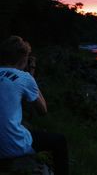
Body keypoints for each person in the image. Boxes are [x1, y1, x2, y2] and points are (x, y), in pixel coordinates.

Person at [0, 36, 69, 175]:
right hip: (11, 147)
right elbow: (43, 110)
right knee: (59, 141)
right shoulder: (24, 77)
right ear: (23, 59)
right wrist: (31, 75)